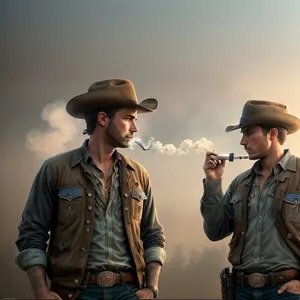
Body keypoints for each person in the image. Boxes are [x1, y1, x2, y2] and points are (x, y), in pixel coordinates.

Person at [15, 79, 167, 300]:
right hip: (74, 293)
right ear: (103, 119)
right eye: (128, 118)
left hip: (129, 292)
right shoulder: (56, 169)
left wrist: (151, 288)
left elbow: (153, 235)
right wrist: (40, 290)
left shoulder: (138, 174)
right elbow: (32, 233)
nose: (135, 128)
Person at [201, 100, 300, 300]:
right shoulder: (241, 183)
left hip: (285, 293)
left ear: (272, 134)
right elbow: (214, 231)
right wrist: (213, 182)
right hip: (242, 291)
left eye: (249, 133)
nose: (243, 142)